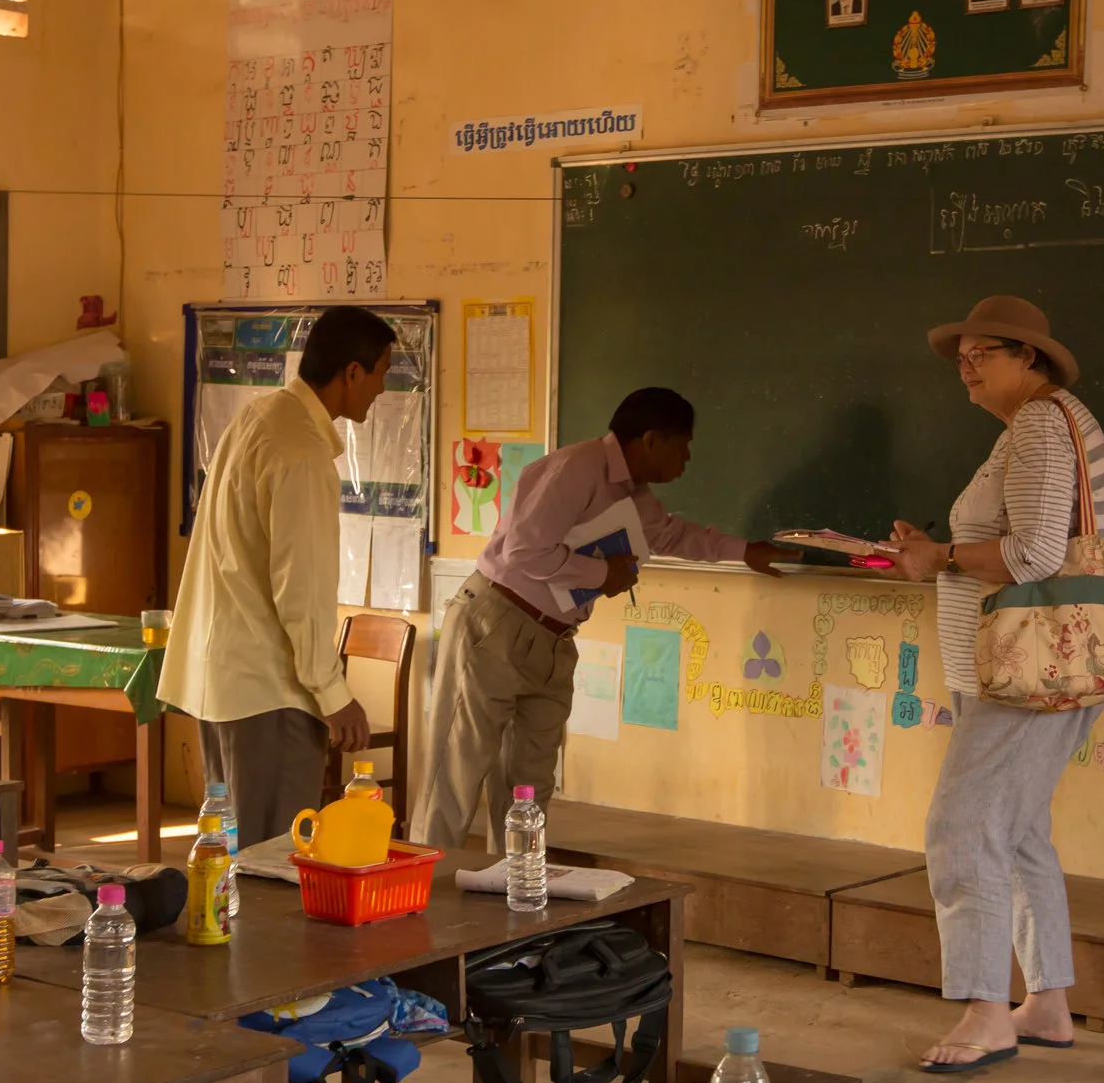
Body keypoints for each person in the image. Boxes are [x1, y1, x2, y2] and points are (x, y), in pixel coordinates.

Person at [883, 297, 1104, 1074]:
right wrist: (937, 551)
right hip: (1028, 669)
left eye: (982, 352)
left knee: (960, 829)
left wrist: (941, 556)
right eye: (961, 355)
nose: (966, 366)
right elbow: (1020, 543)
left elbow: (1037, 554)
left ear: (1030, 357)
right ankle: (1046, 1001)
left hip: (1023, 675)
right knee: (1015, 832)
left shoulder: (1043, 428)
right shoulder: (1040, 428)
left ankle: (986, 1011)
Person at [415, 387, 786, 854]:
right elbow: (524, 550)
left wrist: (745, 551)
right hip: (497, 622)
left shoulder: (636, 498)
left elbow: (673, 535)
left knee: (529, 786)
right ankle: (417, 901)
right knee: (457, 770)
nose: (688, 459)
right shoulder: (577, 469)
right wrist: (601, 573)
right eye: (683, 444)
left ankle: (510, 899)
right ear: (651, 440)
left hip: (552, 640)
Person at [157, 304, 392, 848]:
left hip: (222, 681)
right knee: (271, 860)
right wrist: (332, 693)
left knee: (228, 853)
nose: (382, 388)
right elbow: (300, 591)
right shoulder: (302, 454)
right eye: (380, 372)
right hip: (269, 691)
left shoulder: (258, 417)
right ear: (351, 372)